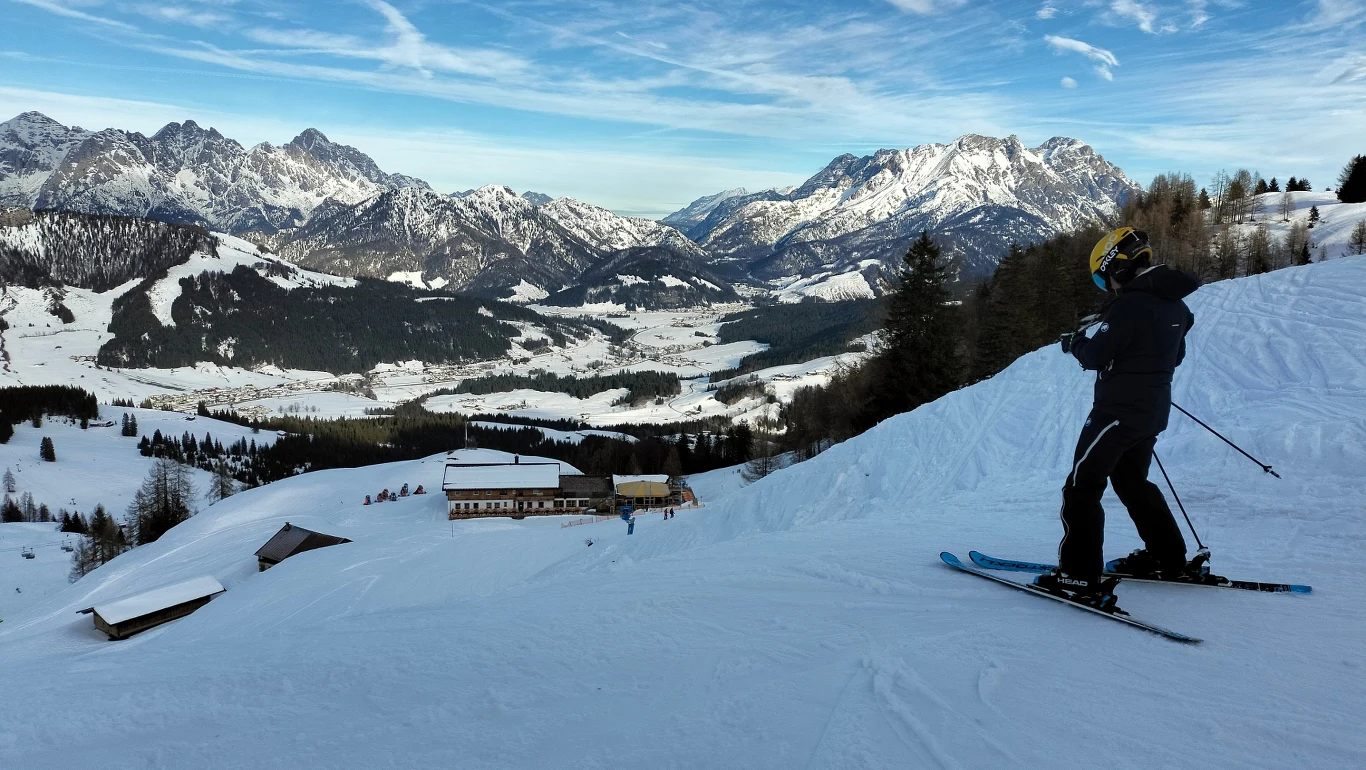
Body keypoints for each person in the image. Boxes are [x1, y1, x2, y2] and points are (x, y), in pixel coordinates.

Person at [1034, 228, 1201, 609]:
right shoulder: (1176, 305)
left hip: (1116, 414)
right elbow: (1174, 356)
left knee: (1082, 486)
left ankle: (1079, 575)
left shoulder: (1129, 305)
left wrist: (1075, 342)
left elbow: (1094, 356)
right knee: (1131, 481)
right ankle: (1168, 558)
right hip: (1152, 411)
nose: (1106, 286)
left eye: (1103, 277)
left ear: (1118, 269)